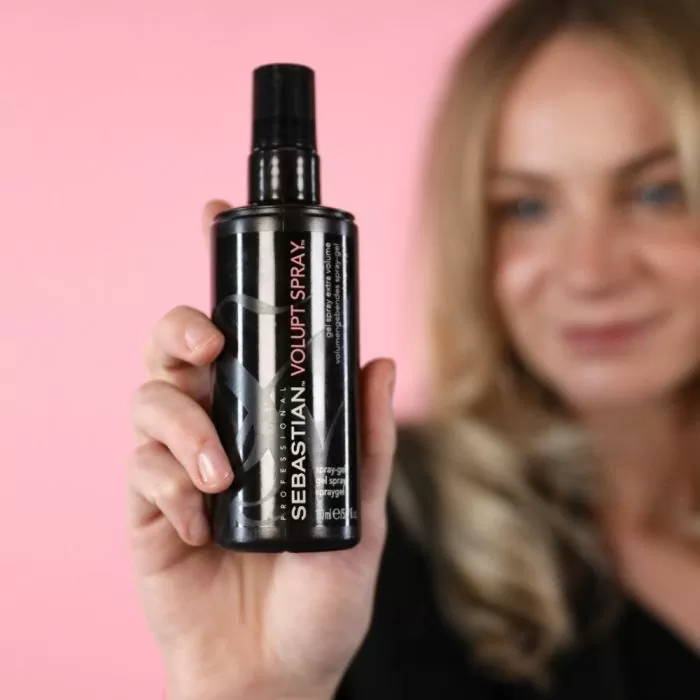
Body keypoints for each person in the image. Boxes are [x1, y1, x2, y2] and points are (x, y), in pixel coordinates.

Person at [127, 0, 700, 697]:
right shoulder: (384, 538)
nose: (591, 271)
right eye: (526, 207)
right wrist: (251, 685)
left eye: (659, 193)